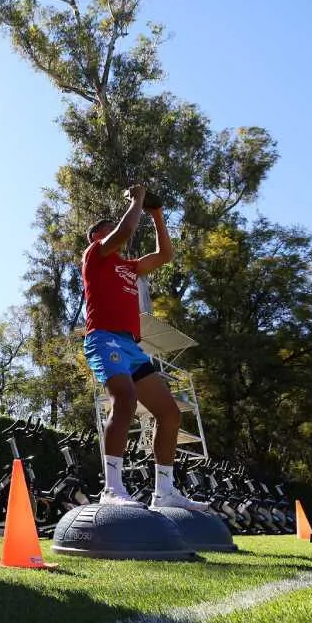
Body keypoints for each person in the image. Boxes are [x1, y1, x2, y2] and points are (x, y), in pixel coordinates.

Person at [81, 185, 208, 510]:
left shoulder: (130, 267)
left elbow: (165, 256)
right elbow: (125, 231)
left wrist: (157, 214)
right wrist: (137, 199)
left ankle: (164, 492)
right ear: (96, 237)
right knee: (124, 398)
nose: (116, 232)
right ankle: (112, 489)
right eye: (108, 229)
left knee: (169, 413)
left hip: (130, 345)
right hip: (103, 338)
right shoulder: (94, 256)